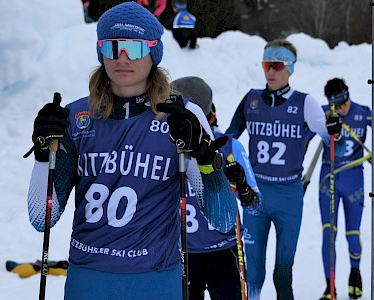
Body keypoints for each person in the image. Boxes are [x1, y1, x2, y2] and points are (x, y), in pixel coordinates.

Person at [25, 3, 237, 299]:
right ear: (101, 53)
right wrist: (42, 155)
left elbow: (223, 220)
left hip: (156, 279)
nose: (122, 58)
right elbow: (41, 219)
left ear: (154, 53)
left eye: (134, 48)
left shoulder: (181, 116)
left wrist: (204, 157)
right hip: (89, 277)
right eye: (112, 47)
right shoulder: (76, 117)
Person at [225, 39, 345, 300]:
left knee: (283, 272)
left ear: (290, 68)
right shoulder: (251, 99)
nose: (270, 71)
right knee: (253, 272)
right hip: (255, 196)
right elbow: (229, 138)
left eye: (277, 65)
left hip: (288, 196)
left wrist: (334, 129)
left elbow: (329, 137)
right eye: (267, 64)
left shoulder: (305, 102)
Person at [171, 76, 262, 299]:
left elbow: (256, 207)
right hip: (183, 255)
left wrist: (242, 186)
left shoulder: (230, 146)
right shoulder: (166, 147)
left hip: (225, 252)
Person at [314, 78, 371, 300]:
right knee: (329, 233)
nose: (343, 108)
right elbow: (302, 137)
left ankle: (355, 273)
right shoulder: (322, 113)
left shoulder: (362, 112)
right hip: (328, 178)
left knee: (353, 234)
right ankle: (330, 287)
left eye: (345, 102)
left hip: (354, 177)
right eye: (338, 106)